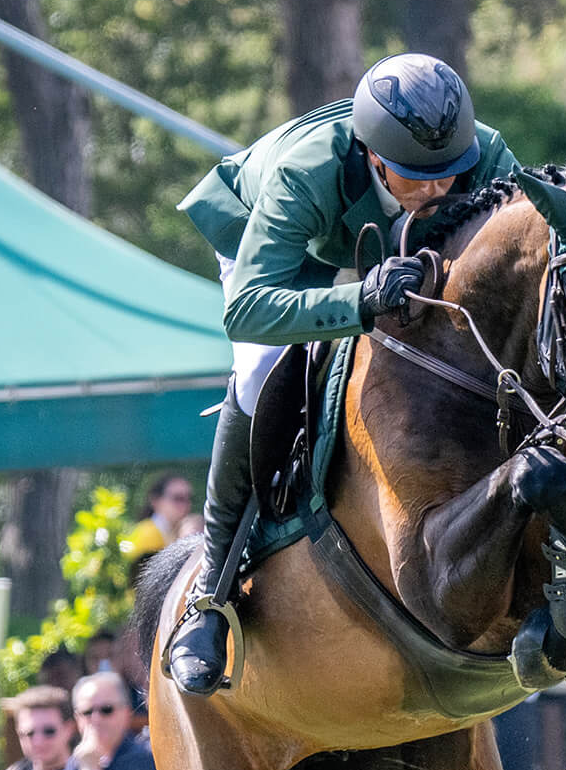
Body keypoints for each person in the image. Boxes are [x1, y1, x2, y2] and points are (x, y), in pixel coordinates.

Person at [167, 52, 522, 695]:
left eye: (452, 174)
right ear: (374, 155)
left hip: (385, 252)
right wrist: (360, 300)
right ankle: (211, 594)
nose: (441, 190)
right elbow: (247, 311)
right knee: (259, 373)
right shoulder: (305, 174)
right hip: (286, 253)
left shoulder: (484, 155)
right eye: (419, 177)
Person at [123, 474, 196, 560]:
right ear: (155, 501)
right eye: (178, 498)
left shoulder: (171, 533)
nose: (185, 504)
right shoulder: (148, 534)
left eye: (189, 498)